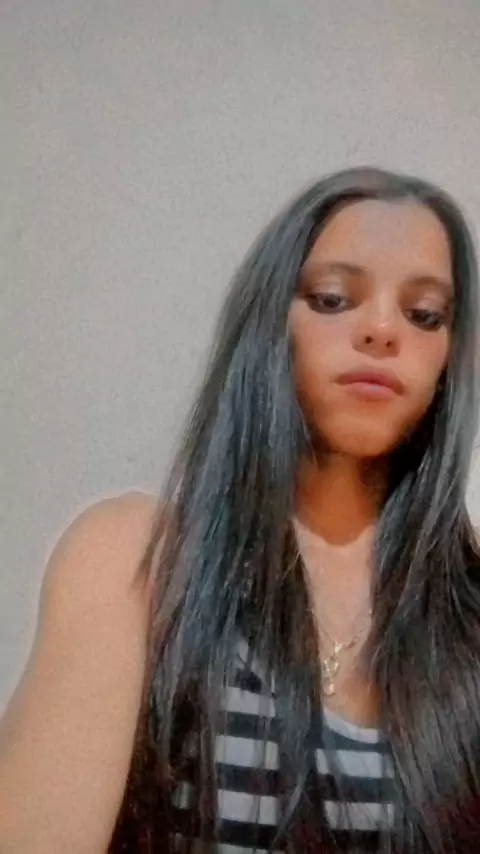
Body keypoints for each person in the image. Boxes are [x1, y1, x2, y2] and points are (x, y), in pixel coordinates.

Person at [1, 166, 480, 854]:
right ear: (268, 325)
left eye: (424, 314)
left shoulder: (470, 601)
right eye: (332, 298)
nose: (381, 328)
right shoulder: (137, 564)